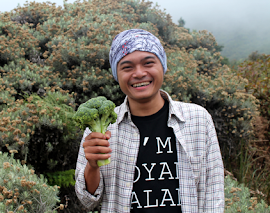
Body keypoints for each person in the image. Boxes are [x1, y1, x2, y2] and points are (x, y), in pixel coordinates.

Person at [75, 29, 224, 213]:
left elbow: (213, 196)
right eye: (127, 67)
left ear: (163, 66)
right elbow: (87, 201)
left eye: (148, 63)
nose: (139, 73)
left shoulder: (198, 120)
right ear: (116, 74)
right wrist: (92, 166)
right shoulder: (100, 129)